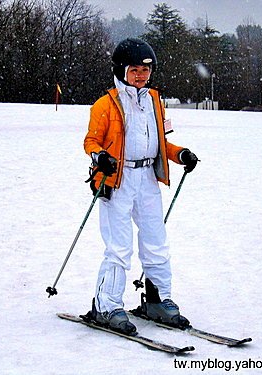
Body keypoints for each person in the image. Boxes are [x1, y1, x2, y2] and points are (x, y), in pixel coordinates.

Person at [83, 38, 198, 335]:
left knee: (156, 239)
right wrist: (102, 157)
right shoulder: (105, 105)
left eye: (146, 70)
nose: (141, 76)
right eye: (135, 70)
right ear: (121, 70)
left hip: (147, 178)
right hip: (118, 180)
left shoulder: (154, 102)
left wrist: (180, 153)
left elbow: (162, 141)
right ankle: (106, 305)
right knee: (119, 246)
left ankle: (158, 300)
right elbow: (91, 142)